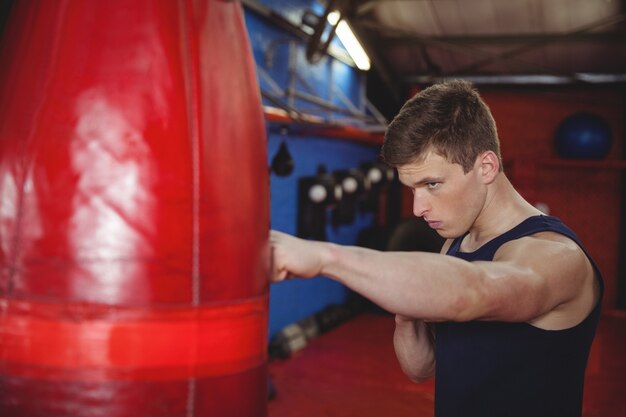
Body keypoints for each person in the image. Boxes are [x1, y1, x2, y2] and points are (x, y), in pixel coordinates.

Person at [269, 80, 602, 417]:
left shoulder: (556, 256)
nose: (417, 208)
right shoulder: (456, 244)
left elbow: (474, 290)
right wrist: (406, 307)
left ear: (486, 167)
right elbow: (421, 368)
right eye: (412, 188)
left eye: (432, 184)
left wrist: (326, 257)